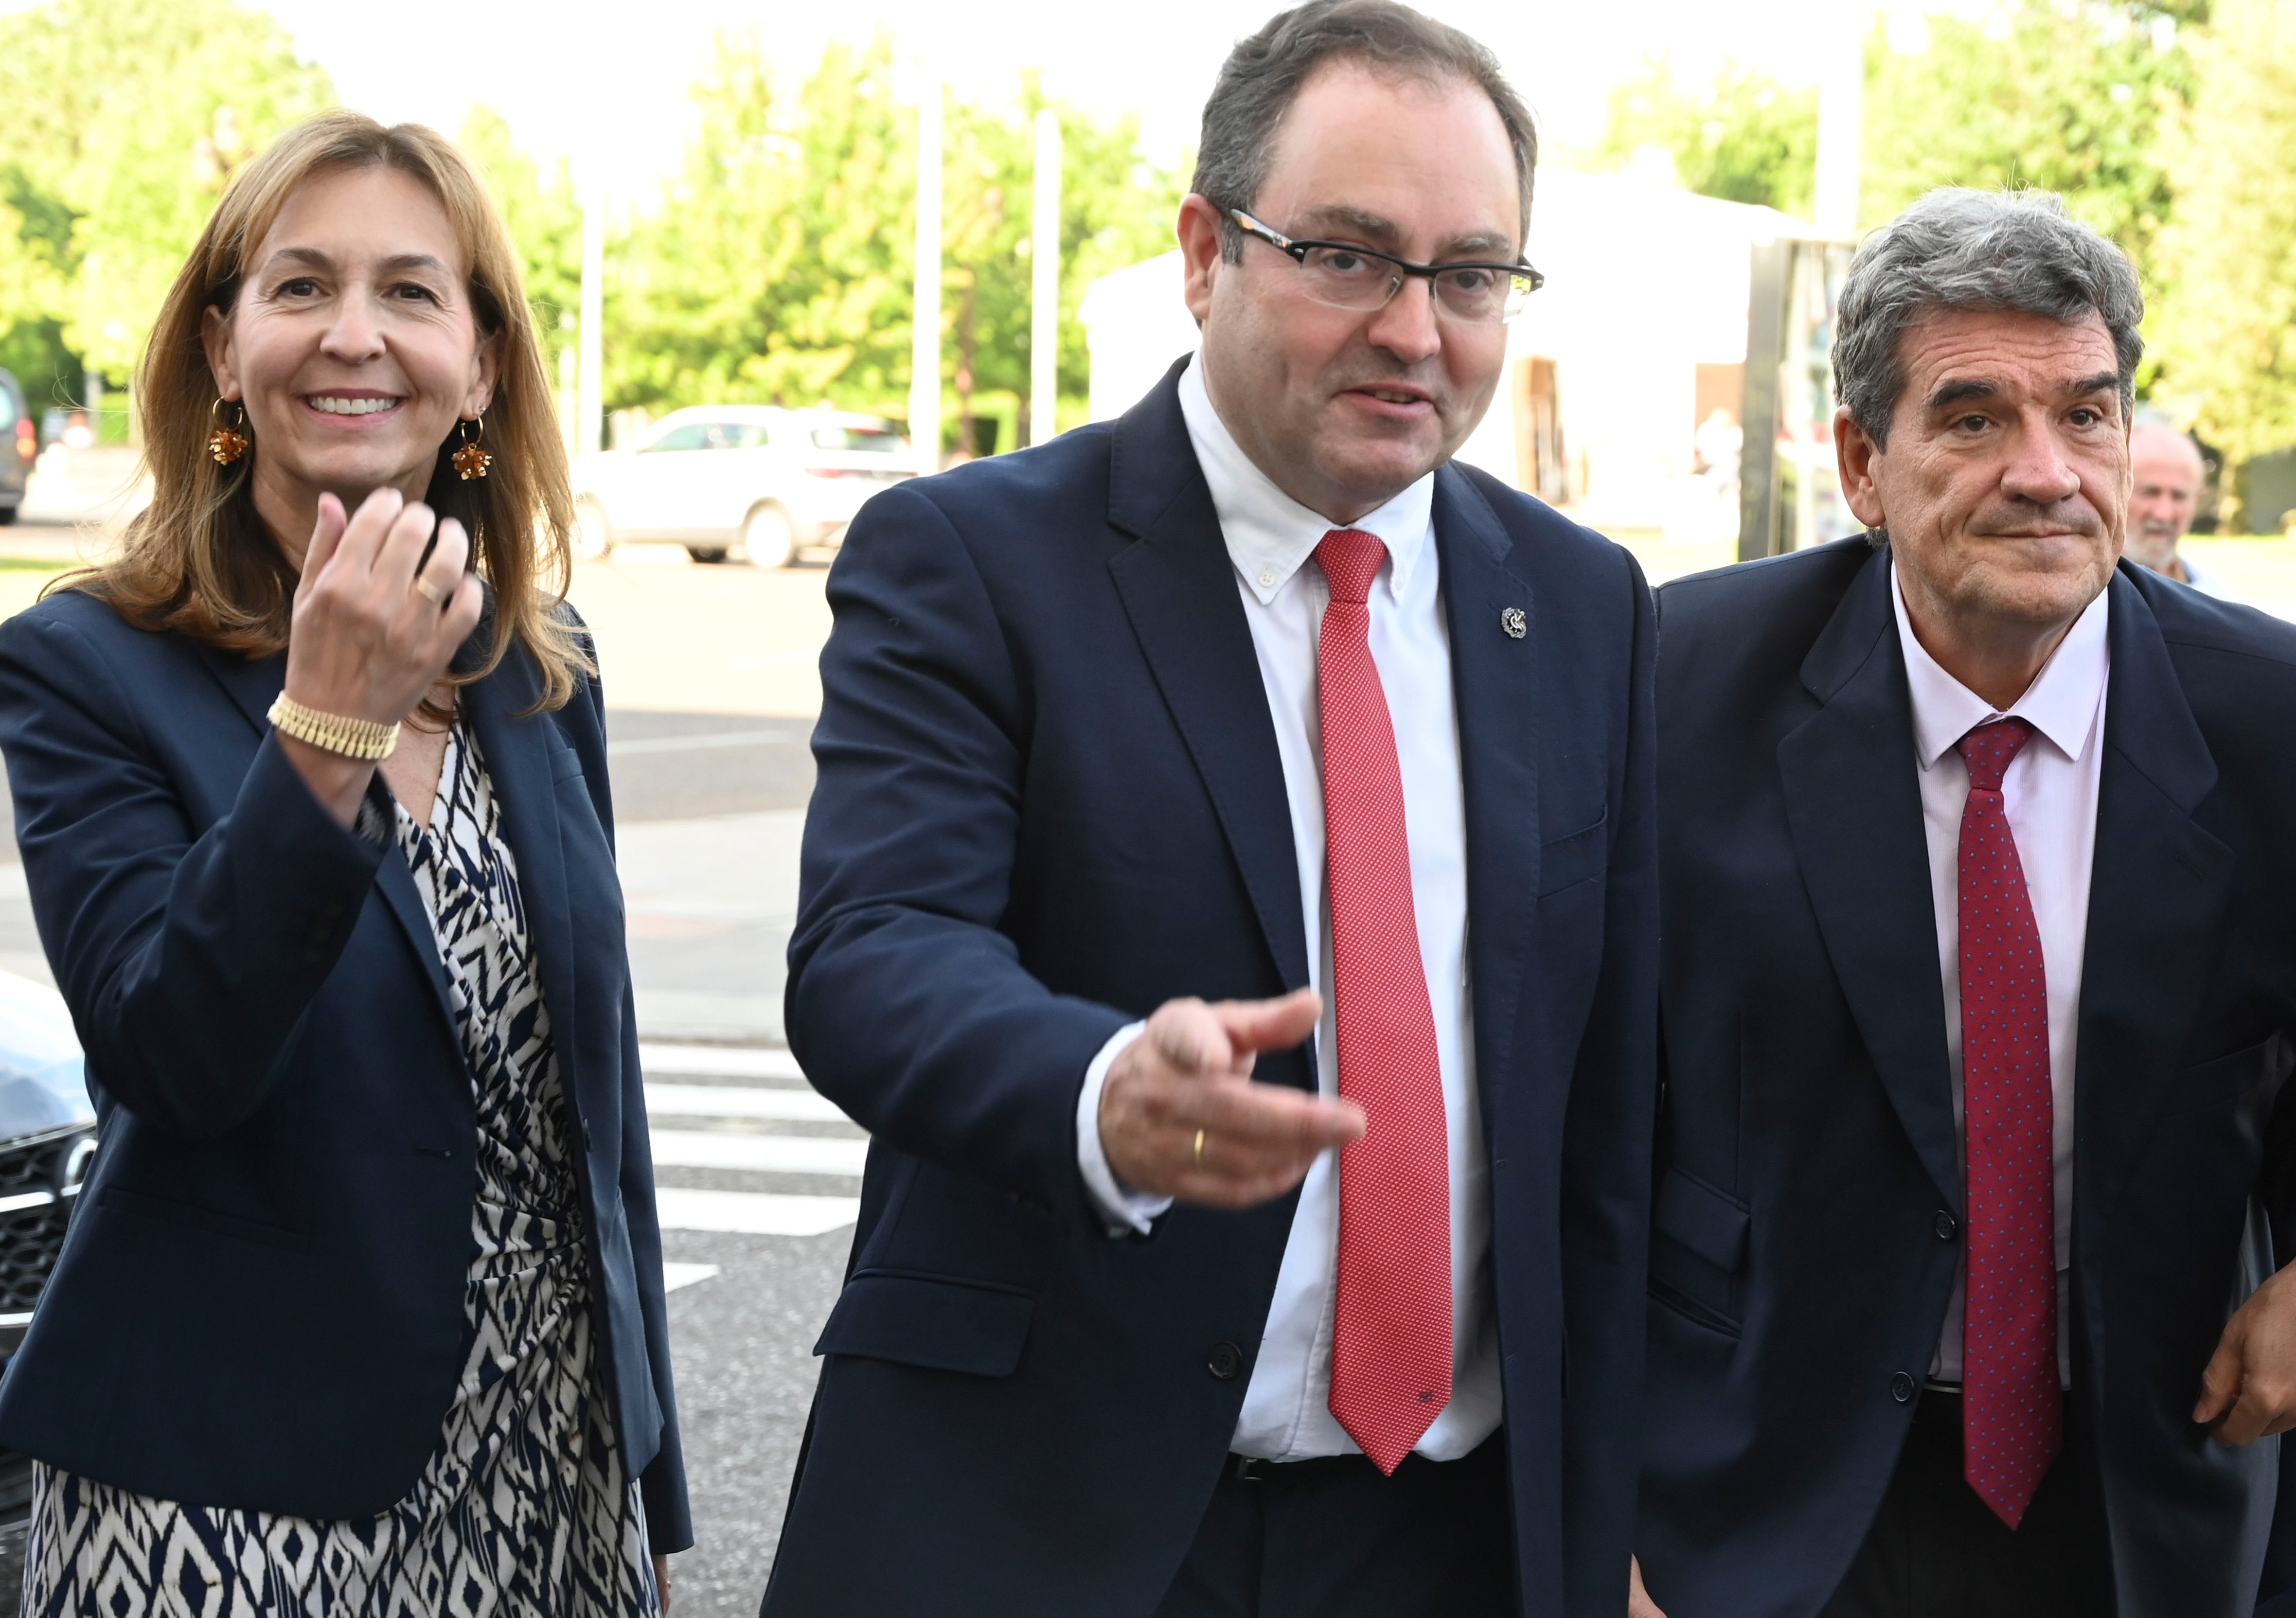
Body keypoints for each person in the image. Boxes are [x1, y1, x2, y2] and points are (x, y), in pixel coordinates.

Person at [763, 4, 1658, 1615]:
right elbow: (872, 950)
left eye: (1469, 275)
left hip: (1460, 1538)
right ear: (1204, 251)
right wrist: (1096, 1086)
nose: (1413, 326)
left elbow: (1624, 1091)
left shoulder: (1585, 607)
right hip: (1056, 1519)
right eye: (1348, 256)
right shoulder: (976, 560)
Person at [1634, 189, 2296, 1618]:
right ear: (1860, 465)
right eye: (1971, 419)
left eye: (2085, 411)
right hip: (1760, 1494)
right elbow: (1579, 1110)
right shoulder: (1672, 692)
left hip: (2145, 1488)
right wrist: (1605, 1527)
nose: (2045, 472)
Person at [0, 111, 688, 1615]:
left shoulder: (539, 662)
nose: (353, 336)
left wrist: (642, 1465)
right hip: (230, 1486)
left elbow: (595, 1113)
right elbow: (171, 1054)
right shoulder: (87, 665)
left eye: (410, 291)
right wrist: (328, 723)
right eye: (301, 286)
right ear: (224, 345)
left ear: (483, 364)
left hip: (545, 1467)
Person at [2125, 420, 2226, 593]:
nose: (2164, 514)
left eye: (2179, 496)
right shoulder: (2082, 607)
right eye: (2150, 493)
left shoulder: (2214, 598)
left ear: (2198, 499)